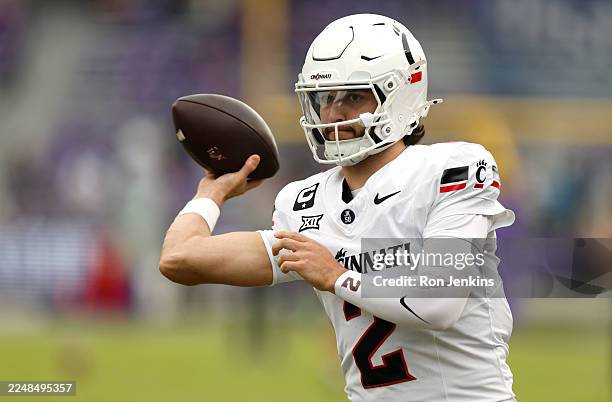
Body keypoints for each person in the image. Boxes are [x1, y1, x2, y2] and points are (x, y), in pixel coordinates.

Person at [160, 14, 516, 402]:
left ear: (401, 95)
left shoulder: (449, 170)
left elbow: (439, 302)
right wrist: (210, 194)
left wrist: (336, 274)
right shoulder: (304, 203)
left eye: (353, 97)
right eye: (325, 98)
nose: (333, 114)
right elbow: (179, 258)